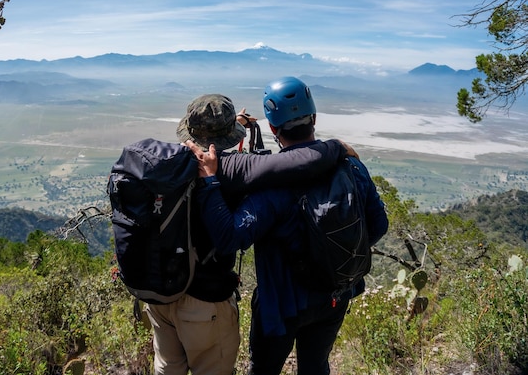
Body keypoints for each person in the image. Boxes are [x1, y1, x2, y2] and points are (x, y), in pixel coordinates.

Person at [187, 77, 389, 375]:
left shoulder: (271, 187)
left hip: (280, 307)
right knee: (316, 365)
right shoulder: (352, 166)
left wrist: (210, 183)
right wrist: (330, 253)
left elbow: (229, 237)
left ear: (272, 128)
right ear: (314, 118)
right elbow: (379, 225)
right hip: (335, 293)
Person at [143, 93, 355, 375]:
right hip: (205, 300)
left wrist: (233, 125)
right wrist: (336, 146)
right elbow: (293, 163)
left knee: (168, 368)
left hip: (161, 292)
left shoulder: (167, 164)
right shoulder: (231, 170)